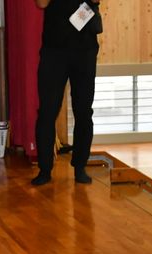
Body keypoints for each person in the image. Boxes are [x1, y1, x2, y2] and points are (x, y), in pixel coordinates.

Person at [30, 0, 102, 186]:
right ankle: (45, 169)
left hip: (84, 49)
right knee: (47, 111)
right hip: (54, 50)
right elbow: (42, 3)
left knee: (84, 110)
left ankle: (80, 167)